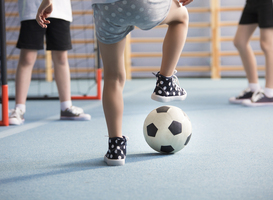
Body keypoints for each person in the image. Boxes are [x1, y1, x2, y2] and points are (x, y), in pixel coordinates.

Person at [37, 0, 193, 166]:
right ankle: (165, 82)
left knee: (113, 77)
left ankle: (115, 148)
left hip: (107, 9)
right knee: (181, 17)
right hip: (141, 4)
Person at [9, 0, 91, 125]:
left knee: (61, 58)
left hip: (60, 10)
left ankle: (66, 107)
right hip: (31, 9)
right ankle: (19, 108)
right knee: (27, 57)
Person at [229, 0, 273, 106]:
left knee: (267, 45)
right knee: (240, 42)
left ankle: (270, 93)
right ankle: (254, 88)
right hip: (252, 2)